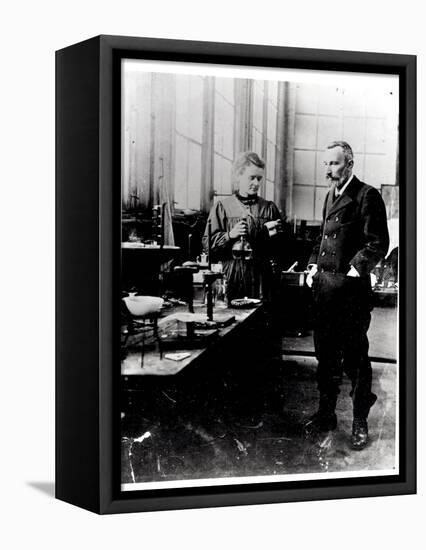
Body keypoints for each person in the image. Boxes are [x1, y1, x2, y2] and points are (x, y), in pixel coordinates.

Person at [305, 141, 389, 450]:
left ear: (349, 164)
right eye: (325, 163)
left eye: (334, 164)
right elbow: (321, 237)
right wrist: (313, 264)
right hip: (325, 292)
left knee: (355, 359)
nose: (328, 170)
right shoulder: (330, 196)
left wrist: (354, 272)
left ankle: (360, 422)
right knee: (325, 357)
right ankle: (326, 414)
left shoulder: (367, 195)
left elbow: (378, 242)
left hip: (351, 295)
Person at [202, 151, 282, 303]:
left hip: (260, 280)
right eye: (252, 177)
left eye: (259, 178)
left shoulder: (269, 209)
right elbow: (207, 246)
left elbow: (282, 250)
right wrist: (229, 235)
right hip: (231, 278)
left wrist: (271, 236)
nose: (257, 183)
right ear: (239, 176)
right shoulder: (222, 207)